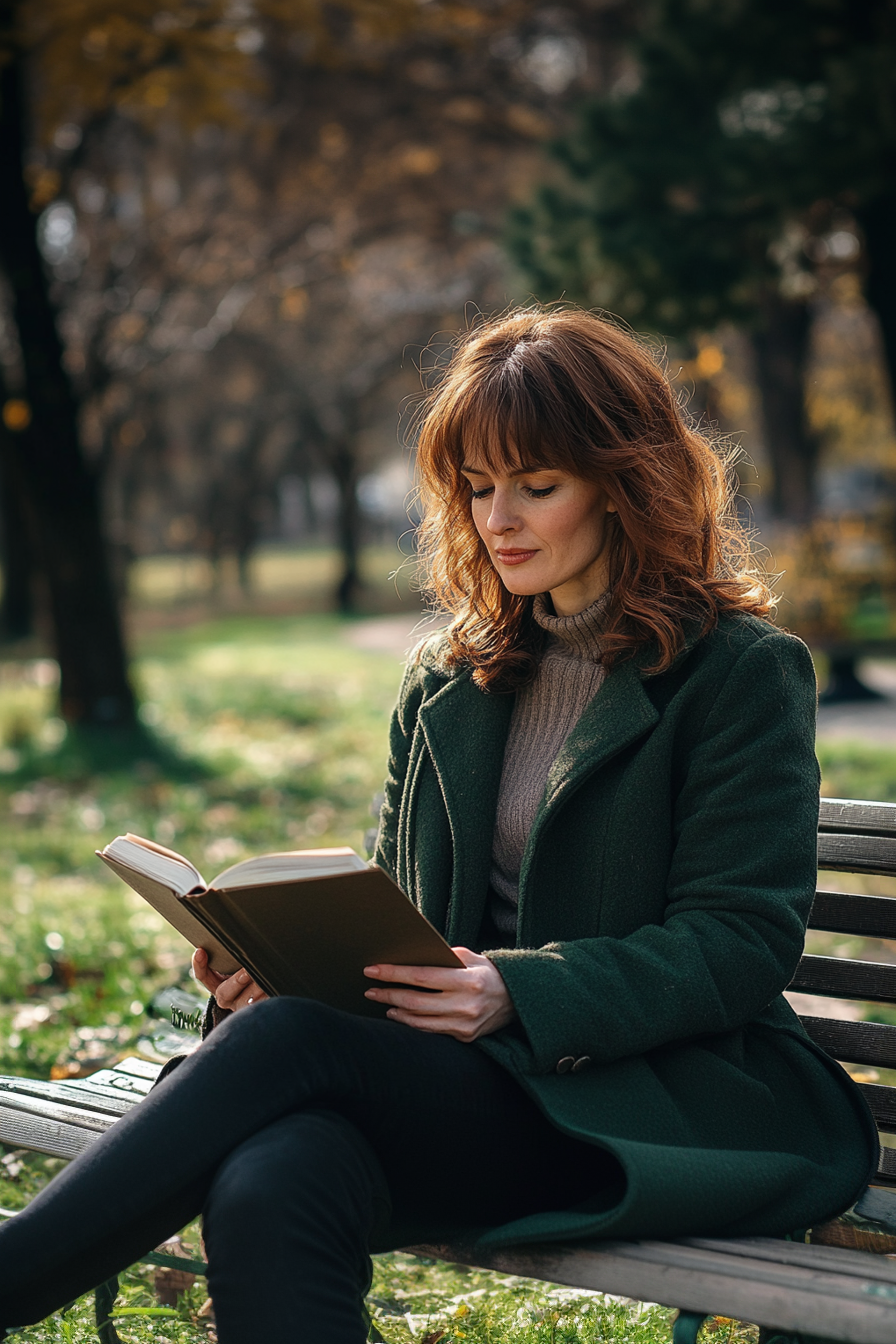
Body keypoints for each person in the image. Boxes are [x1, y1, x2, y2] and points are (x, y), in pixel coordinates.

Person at [0, 307, 878, 1340]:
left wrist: (517, 991)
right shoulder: (446, 679)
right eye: (476, 487)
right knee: (275, 1178)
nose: (497, 518)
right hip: (452, 1089)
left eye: (535, 486)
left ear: (623, 481)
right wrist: (278, 964)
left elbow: (739, 941)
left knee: (282, 1055)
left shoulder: (737, 675)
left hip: (637, 1107)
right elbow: (398, 908)